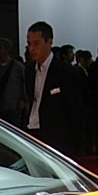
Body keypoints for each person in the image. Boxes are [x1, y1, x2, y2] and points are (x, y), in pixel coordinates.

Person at [24, 21, 79, 155]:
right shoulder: (28, 70)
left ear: (49, 42)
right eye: (29, 44)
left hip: (57, 137)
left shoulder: (66, 72)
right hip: (31, 133)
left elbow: (75, 109)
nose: (31, 48)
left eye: (36, 44)